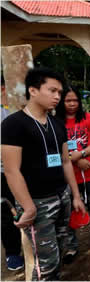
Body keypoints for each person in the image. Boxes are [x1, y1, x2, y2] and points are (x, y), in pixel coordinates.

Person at [1, 67, 86, 280]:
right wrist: (28, 206)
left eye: (60, 92)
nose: (58, 96)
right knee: (45, 261)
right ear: (33, 90)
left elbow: (66, 161)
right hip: (37, 202)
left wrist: (74, 195)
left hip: (62, 196)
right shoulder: (13, 124)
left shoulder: (57, 123)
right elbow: (11, 170)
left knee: (59, 248)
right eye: (52, 90)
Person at [55, 86, 90, 262]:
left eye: (75, 100)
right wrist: (76, 160)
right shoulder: (55, 122)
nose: (72, 104)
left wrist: (82, 153)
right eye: (68, 100)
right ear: (61, 101)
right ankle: (71, 247)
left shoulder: (89, 118)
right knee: (68, 211)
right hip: (67, 176)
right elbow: (54, 148)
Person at [1, 75, 24, 271]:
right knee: (8, 211)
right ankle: (13, 252)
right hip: (3, 172)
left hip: (28, 170)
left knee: (32, 207)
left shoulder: (23, 106)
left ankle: (37, 247)